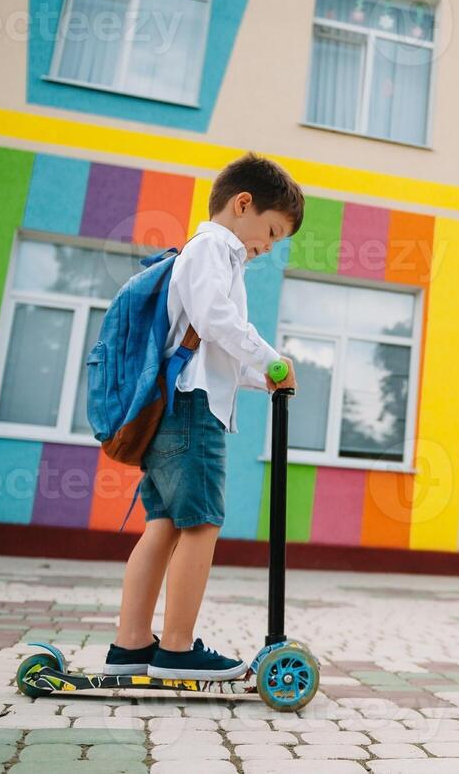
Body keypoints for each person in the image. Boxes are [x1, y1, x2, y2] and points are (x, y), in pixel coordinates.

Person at [104, 153, 302, 680]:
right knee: (202, 525)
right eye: (272, 231)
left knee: (164, 525)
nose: (267, 247)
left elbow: (209, 348)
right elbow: (218, 321)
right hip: (192, 413)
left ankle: (130, 646)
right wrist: (273, 359)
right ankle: (175, 647)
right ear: (244, 204)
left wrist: (264, 378)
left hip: (175, 407)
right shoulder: (216, 247)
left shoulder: (205, 254)